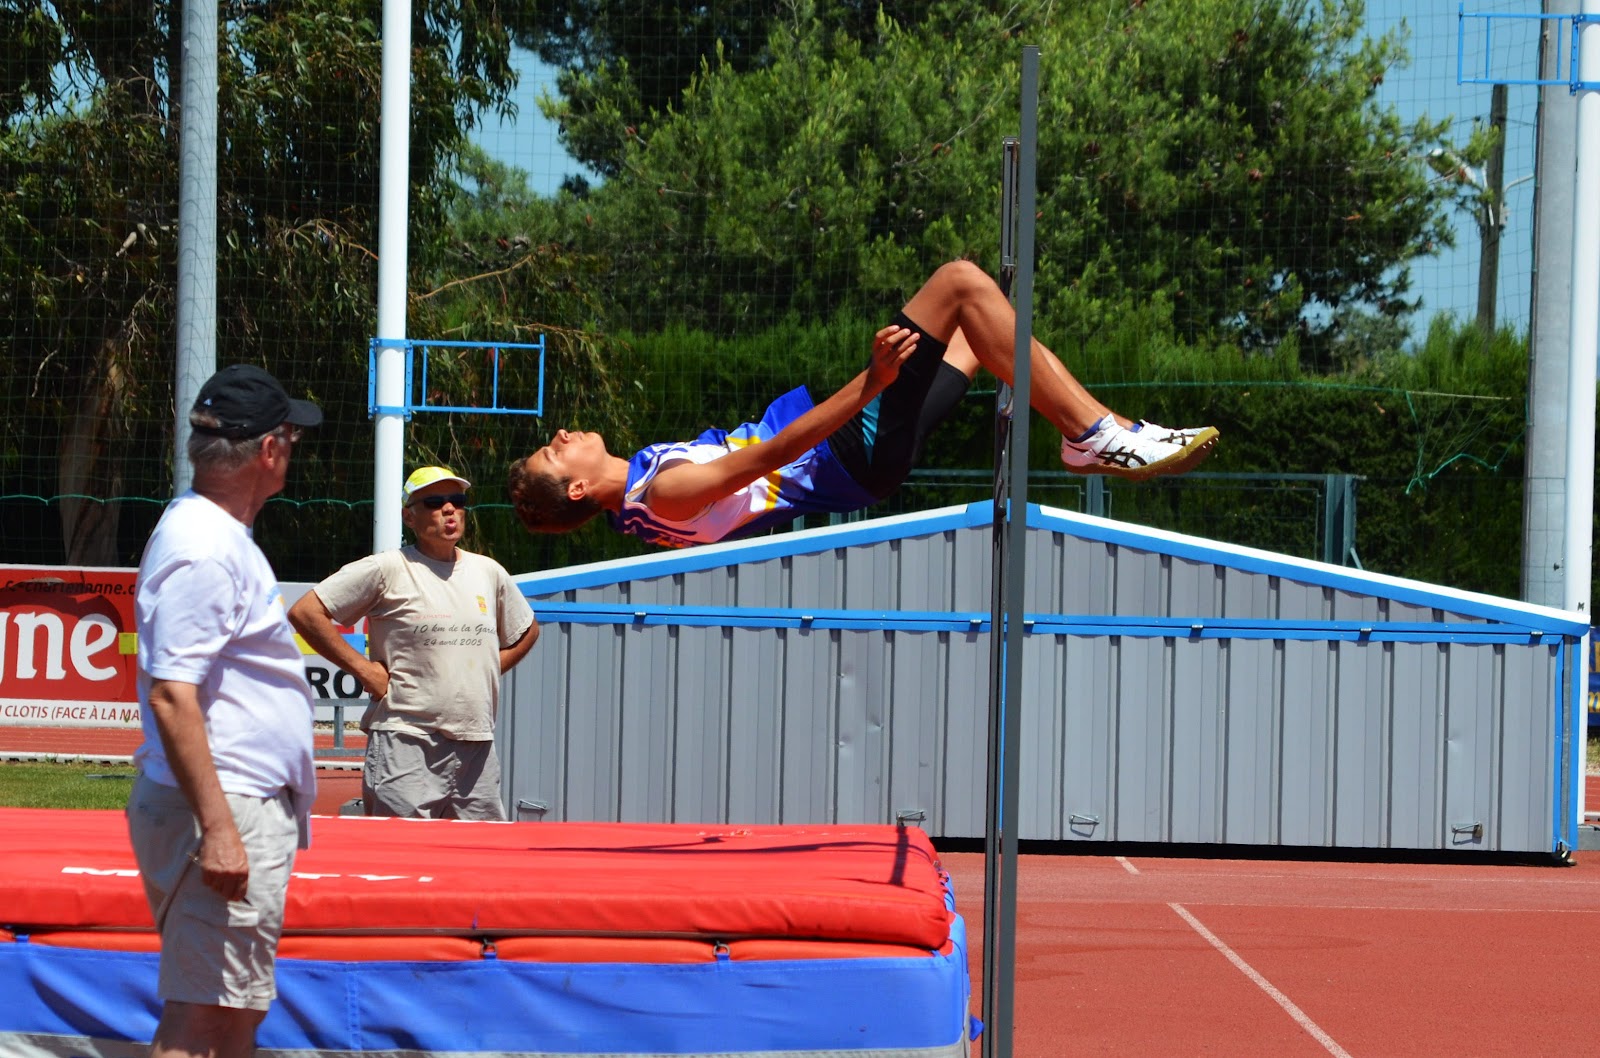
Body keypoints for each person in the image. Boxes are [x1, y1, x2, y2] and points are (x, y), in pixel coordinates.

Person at [507, 259, 1220, 548]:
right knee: (958, 282)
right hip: (843, 452)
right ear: (576, 487)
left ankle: (1096, 432)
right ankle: (1095, 434)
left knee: (979, 330)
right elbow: (774, 454)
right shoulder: (662, 493)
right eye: (552, 450)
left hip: (856, 463)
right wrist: (871, 384)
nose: (563, 433)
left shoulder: (643, 497)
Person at [125, 363, 322, 1058]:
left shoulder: (214, 535)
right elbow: (172, 694)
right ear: (268, 449)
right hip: (223, 803)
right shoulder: (205, 550)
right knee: (206, 1020)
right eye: (291, 438)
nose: (293, 452)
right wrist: (219, 830)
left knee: (231, 1012)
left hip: (230, 799)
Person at [287, 465, 539, 820]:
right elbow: (305, 612)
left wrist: (487, 668)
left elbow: (528, 630)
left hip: (477, 748)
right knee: (403, 849)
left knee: (480, 852)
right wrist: (363, 670)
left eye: (457, 501)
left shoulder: (489, 571)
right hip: (406, 742)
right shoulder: (387, 568)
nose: (449, 509)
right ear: (409, 516)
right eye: (434, 502)